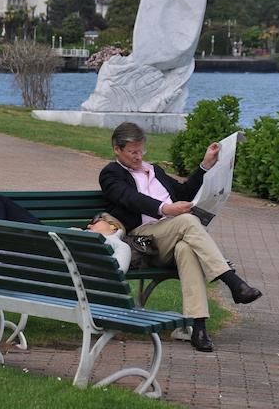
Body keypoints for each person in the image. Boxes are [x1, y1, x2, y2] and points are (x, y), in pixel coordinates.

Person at [99, 122, 262, 353]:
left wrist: (205, 166)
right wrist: (166, 209)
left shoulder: (154, 170)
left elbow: (183, 193)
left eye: (141, 150)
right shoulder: (111, 174)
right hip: (144, 242)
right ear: (117, 149)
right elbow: (130, 199)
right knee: (186, 221)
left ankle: (198, 328)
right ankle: (232, 281)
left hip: (172, 237)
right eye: (132, 152)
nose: (138, 156)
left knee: (186, 248)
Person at [0, 196, 131, 273]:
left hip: (42, 249)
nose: (89, 224)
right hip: (44, 242)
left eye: (96, 220)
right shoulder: (98, 239)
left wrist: (78, 239)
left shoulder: (119, 245)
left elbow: (116, 274)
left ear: (112, 225)